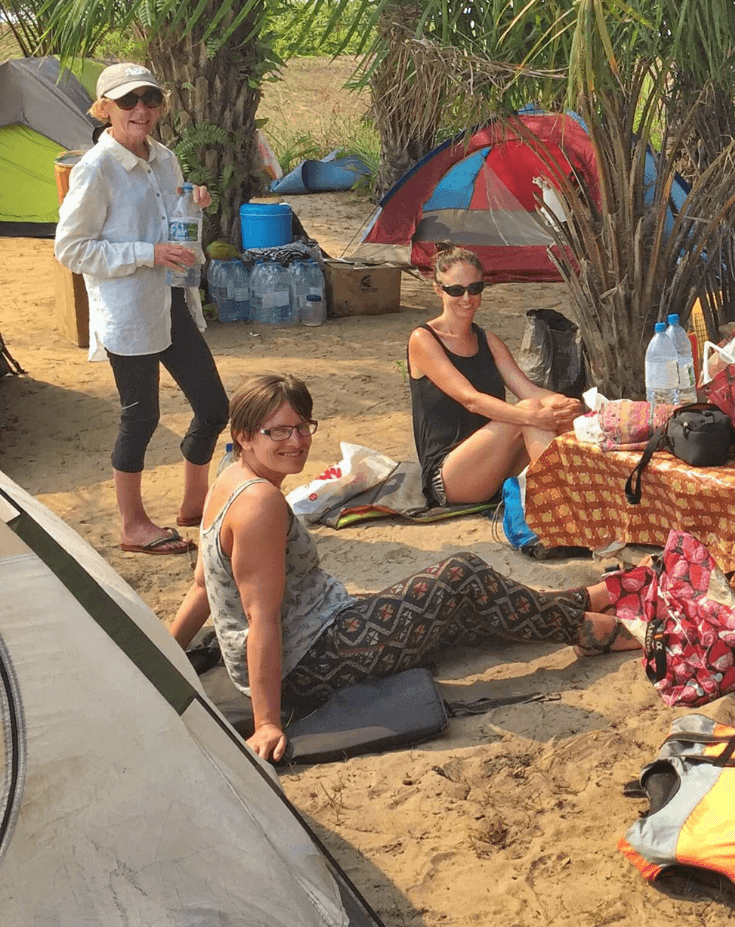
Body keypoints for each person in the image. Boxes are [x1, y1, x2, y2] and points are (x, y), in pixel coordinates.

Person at [168, 373, 638, 762]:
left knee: (462, 606)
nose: (297, 442)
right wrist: (268, 722)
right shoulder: (260, 504)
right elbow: (260, 619)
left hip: (315, 634)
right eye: (279, 432)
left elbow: (202, 584)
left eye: (303, 427)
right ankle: (587, 629)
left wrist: (162, 653)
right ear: (244, 436)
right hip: (309, 662)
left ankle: (580, 600)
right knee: (461, 575)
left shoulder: (228, 476)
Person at [54, 62, 227, 557]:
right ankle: (132, 525)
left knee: (213, 406)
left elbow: (173, 225)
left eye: (150, 99)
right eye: (128, 101)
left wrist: (192, 204)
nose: (142, 110)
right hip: (128, 309)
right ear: (104, 108)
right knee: (141, 415)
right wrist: (145, 253)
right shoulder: (95, 170)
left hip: (170, 298)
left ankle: (195, 505)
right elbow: (71, 249)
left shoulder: (165, 158)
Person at [407, 247, 583, 506]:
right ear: (438, 289)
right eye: (456, 290)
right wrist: (531, 415)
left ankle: (583, 493)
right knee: (528, 413)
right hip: (449, 475)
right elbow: (471, 400)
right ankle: (566, 505)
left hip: (493, 464)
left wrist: (567, 404)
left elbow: (529, 390)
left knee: (556, 410)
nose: (467, 298)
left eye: (475, 289)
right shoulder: (423, 339)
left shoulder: (488, 340)